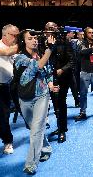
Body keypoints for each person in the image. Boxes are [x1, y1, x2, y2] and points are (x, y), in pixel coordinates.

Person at [15, 29, 56, 174]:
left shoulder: (42, 54)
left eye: (35, 38)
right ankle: (46, 148)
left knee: (36, 129)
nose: (34, 40)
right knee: (34, 128)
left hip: (42, 96)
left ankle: (31, 164)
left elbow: (48, 70)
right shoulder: (19, 57)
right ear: (23, 41)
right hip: (24, 98)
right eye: (30, 38)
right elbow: (37, 66)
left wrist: (50, 84)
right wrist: (50, 49)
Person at [45, 22, 75, 143]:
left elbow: (72, 61)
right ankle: (60, 126)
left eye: (53, 29)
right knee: (55, 103)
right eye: (49, 29)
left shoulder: (64, 42)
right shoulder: (41, 43)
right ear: (45, 30)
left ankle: (62, 129)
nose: (51, 31)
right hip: (47, 78)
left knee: (60, 102)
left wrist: (61, 70)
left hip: (63, 77)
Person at [0, 24, 19, 154]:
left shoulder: (14, 47)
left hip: (10, 86)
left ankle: (8, 141)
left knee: (5, 116)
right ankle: (7, 140)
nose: (16, 38)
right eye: (14, 35)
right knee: (3, 116)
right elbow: (7, 52)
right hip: (2, 87)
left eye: (17, 36)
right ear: (5, 34)